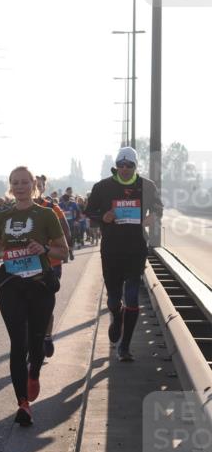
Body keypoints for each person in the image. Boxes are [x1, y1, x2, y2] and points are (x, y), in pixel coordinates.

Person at [0, 167, 68, 426]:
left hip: (39, 286)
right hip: (12, 286)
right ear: (10, 186)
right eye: (15, 183)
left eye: (24, 182)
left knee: (35, 344)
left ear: (33, 185)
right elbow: (1, 249)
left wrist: (44, 248)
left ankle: (34, 371)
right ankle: (22, 404)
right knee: (17, 344)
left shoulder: (46, 214)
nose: (20, 186)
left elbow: (63, 252)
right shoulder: (2, 217)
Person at [85, 146, 163, 362]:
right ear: (116, 166)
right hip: (111, 250)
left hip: (136, 249)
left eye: (129, 165)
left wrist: (153, 217)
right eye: (121, 165)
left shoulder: (147, 186)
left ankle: (125, 347)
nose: (125, 169)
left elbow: (159, 207)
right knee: (113, 299)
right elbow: (89, 212)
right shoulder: (102, 187)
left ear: (136, 166)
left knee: (131, 297)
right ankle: (116, 317)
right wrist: (104, 216)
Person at [33, 175, 72, 358]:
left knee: (45, 305)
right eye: (33, 185)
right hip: (28, 265)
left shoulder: (52, 208)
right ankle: (32, 343)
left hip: (51, 263)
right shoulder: (16, 210)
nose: (35, 188)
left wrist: (54, 247)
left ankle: (46, 336)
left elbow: (66, 233)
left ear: (43, 188)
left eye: (39, 185)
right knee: (28, 306)